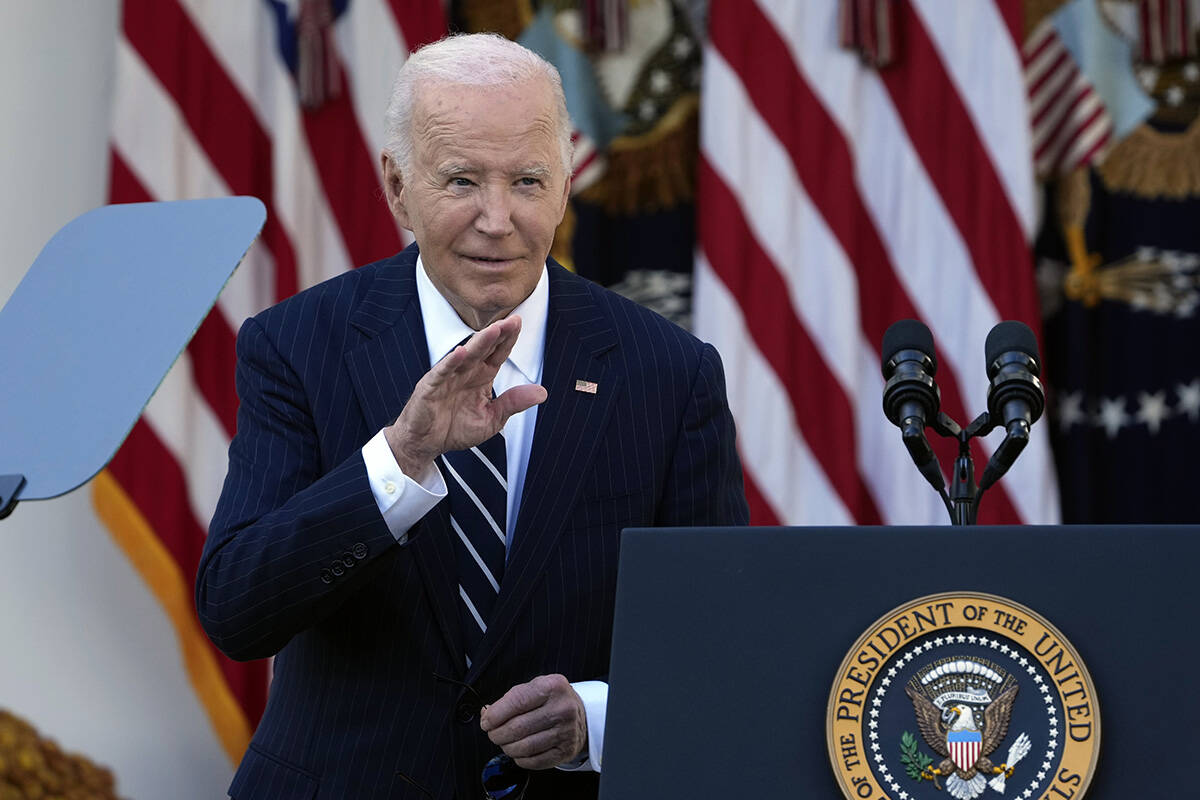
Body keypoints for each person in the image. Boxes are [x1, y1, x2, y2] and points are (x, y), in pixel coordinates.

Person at [197, 32, 748, 800]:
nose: (498, 219)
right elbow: (238, 611)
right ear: (398, 187)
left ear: (565, 185)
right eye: (461, 180)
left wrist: (598, 717)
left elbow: (721, 637)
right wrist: (400, 458)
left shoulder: (670, 372)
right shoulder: (296, 345)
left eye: (527, 180)